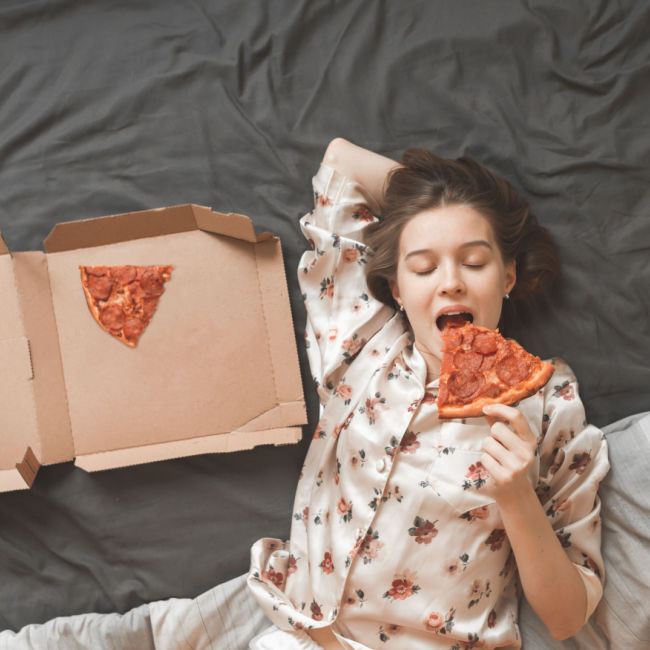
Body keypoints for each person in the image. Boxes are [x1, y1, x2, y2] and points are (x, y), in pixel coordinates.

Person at [247, 138, 609, 650]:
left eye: (475, 262)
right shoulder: (362, 341)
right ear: (397, 288)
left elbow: (568, 617)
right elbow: (340, 163)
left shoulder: (550, 403)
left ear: (508, 276)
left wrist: (517, 494)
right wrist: (440, 198)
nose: (451, 283)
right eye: (423, 268)